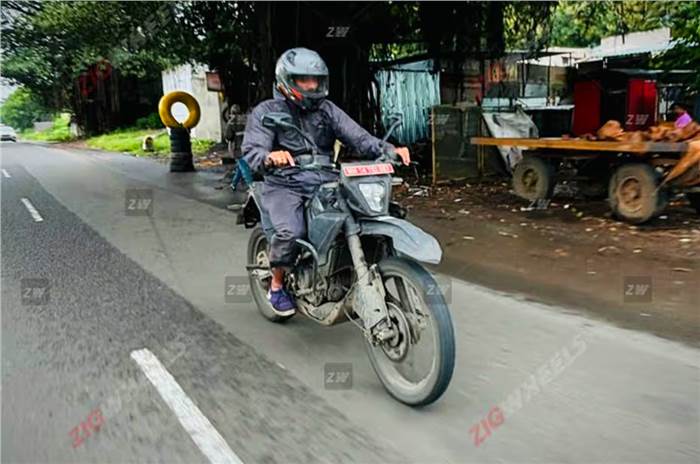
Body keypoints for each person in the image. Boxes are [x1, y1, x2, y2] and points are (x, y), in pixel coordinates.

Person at [241, 47, 410, 316]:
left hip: (327, 180)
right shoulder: (267, 111)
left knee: (371, 213)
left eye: (315, 80)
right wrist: (270, 157)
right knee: (291, 232)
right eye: (303, 80)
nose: (311, 86)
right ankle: (276, 286)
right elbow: (252, 150)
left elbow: (359, 137)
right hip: (285, 183)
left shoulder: (327, 110)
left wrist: (388, 149)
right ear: (287, 80)